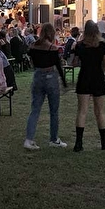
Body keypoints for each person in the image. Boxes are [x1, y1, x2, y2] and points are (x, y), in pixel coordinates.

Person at [24, 22, 67, 150]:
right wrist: (64, 82)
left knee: (35, 109)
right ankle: (54, 139)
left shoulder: (33, 46)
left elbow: (31, 60)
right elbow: (58, 66)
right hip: (50, 76)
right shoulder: (52, 48)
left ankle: (29, 139)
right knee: (54, 111)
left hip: (37, 76)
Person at [73, 20, 105, 152]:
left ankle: (78, 143)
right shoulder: (101, 45)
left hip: (84, 78)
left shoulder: (80, 45)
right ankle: (104, 142)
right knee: (100, 111)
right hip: (98, 78)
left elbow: (75, 63)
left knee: (82, 111)